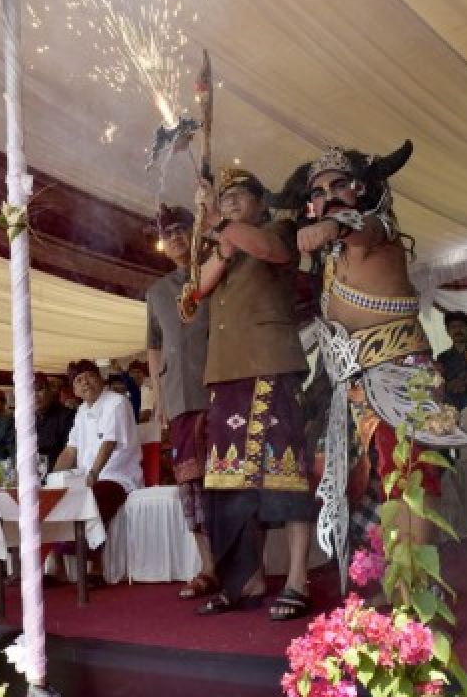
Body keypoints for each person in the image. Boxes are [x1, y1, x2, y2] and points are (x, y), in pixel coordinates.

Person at [277, 144, 467, 590]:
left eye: (341, 184)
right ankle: (390, 585)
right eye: (320, 191)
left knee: (408, 476)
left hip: (401, 374)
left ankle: (414, 589)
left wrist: (328, 223)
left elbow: (359, 225)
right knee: (359, 481)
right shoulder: (330, 260)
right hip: (352, 385)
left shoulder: (379, 231)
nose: (331, 195)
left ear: (365, 189)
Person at [191, 166, 313, 620]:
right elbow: (198, 288)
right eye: (224, 198)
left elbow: (268, 249)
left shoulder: (278, 228)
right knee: (231, 483)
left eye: (240, 196)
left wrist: (218, 223)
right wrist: (216, 237)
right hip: (226, 375)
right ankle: (247, 579)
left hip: (269, 366)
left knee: (286, 473)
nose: (230, 202)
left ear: (261, 203)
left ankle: (298, 579)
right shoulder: (225, 244)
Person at [145, 205, 219, 600]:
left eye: (181, 229)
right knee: (190, 485)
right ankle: (207, 566)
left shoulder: (216, 272)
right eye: (167, 232)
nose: (175, 237)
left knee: (227, 481)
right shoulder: (156, 292)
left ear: (196, 232)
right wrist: (158, 396)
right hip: (178, 398)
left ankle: (240, 565)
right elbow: (154, 346)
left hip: (222, 389)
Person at [48, 360, 144, 583]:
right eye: (79, 381)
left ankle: (96, 568)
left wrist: (93, 474)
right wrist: (50, 479)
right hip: (88, 478)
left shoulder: (116, 403)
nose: (85, 383)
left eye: (89, 376)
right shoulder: (82, 411)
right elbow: (70, 452)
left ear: (100, 378)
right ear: (74, 390)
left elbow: (108, 442)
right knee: (53, 497)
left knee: (90, 497)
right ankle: (57, 566)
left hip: (119, 476)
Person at [35, 373, 74, 467]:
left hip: (59, 474)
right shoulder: (26, 420)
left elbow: (70, 452)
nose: (34, 395)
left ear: (50, 391)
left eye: (39, 389)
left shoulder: (66, 416)